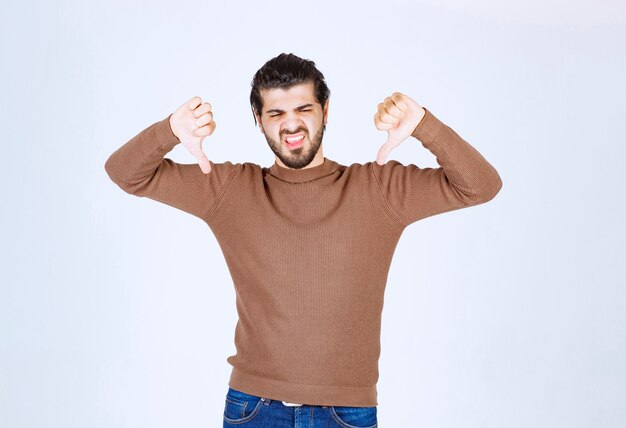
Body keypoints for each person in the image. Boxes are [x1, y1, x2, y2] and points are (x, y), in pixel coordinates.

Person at [104, 52, 502, 427]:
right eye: (275, 113)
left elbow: (481, 186)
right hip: (253, 407)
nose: (290, 125)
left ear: (325, 112)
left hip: (347, 411)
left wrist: (423, 125)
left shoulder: (378, 188)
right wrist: (170, 131)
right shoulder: (231, 189)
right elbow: (125, 173)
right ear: (258, 120)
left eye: (303, 109)